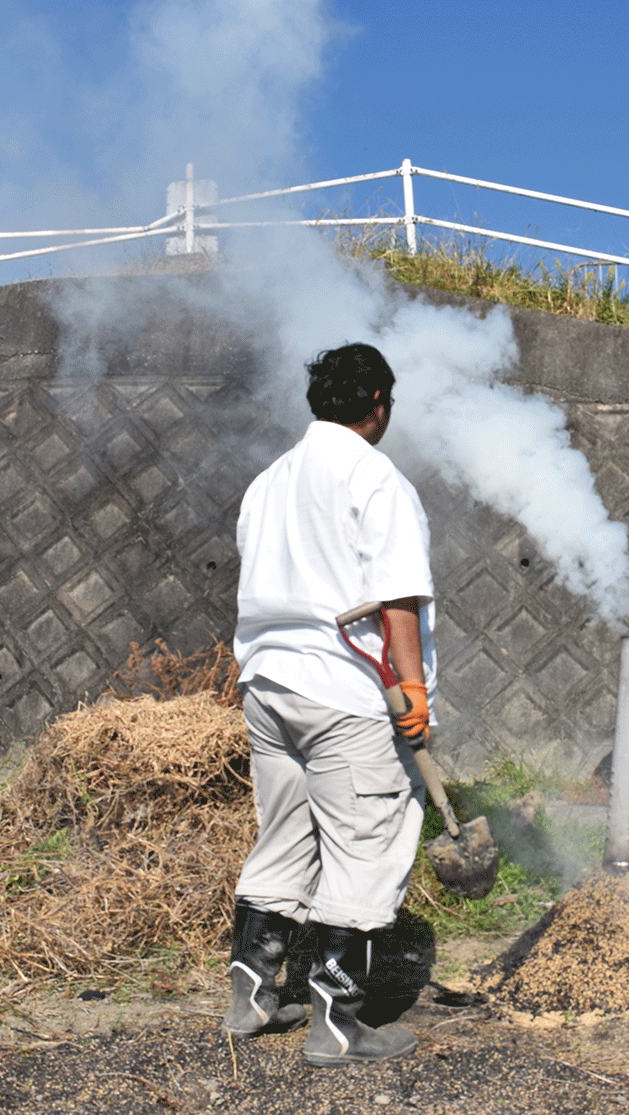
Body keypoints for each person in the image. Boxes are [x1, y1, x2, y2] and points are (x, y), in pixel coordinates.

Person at [222, 342, 435, 1067]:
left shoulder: (268, 482)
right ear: (379, 406)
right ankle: (339, 1025)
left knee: (282, 835)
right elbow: (397, 594)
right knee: (364, 846)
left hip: (268, 687)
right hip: (344, 692)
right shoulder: (376, 479)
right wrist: (412, 689)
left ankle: (251, 995)